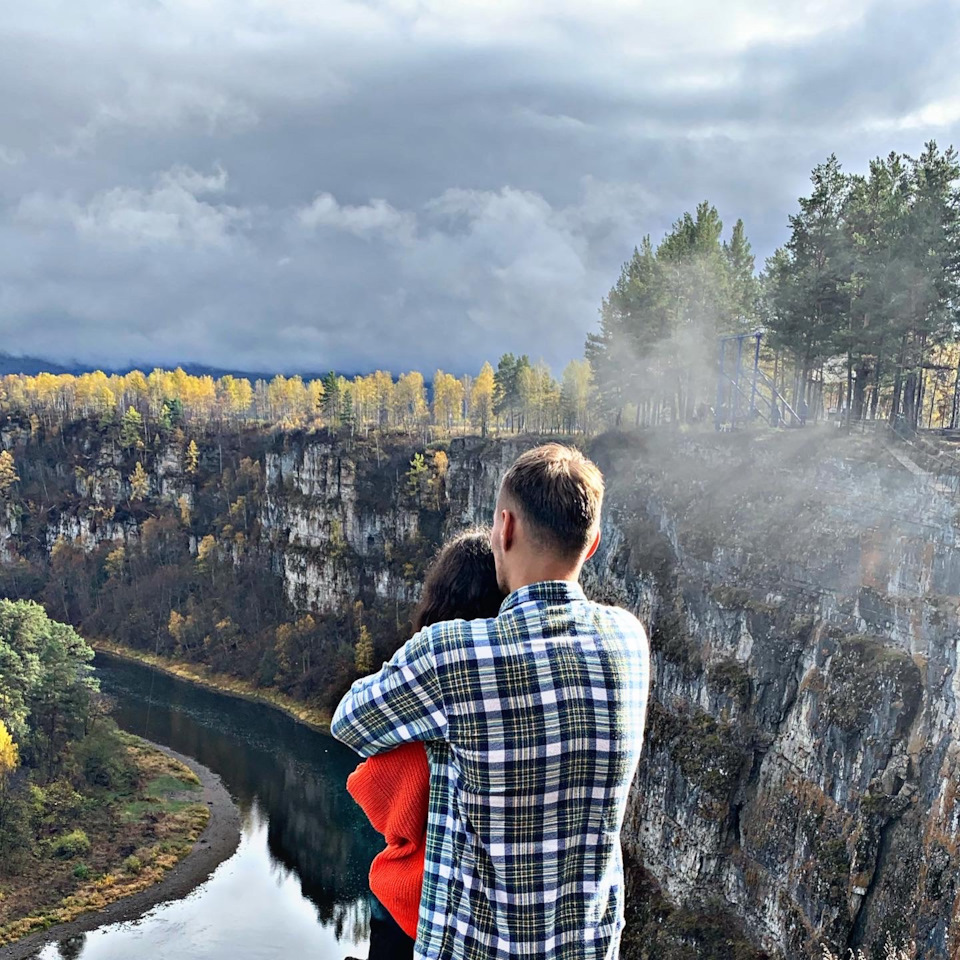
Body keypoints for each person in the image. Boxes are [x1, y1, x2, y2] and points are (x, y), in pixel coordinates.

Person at [332, 443, 650, 960]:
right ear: (590, 545)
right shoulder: (629, 642)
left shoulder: (453, 656)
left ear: (504, 528)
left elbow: (350, 721)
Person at [345, 530, 505, 960]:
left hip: (406, 904)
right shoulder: (502, 703)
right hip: (475, 916)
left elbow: (371, 788)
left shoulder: (424, 706)